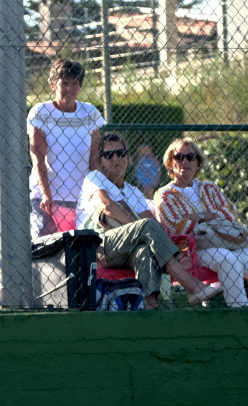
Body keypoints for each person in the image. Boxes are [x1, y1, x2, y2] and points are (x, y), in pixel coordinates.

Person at [77, 133, 220, 309]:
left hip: (127, 249)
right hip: (98, 246)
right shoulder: (95, 178)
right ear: (101, 160)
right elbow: (108, 206)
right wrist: (139, 227)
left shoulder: (133, 191)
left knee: (145, 251)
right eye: (109, 155)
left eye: (120, 153)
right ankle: (192, 286)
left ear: (128, 157)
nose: (116, 158)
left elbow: (152, 222)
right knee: (146, 227)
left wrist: (147, 233)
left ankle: (149, 305)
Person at [155, 138, 248, 308]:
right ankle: (240, 310)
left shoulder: (209, 187)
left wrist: (198, 217)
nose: (184, 161)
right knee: (226, 259)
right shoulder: (164, 194)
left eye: (190, 157)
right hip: (192, 250)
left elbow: (231, 214)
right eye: (179, 157)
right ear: (170, 162)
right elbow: (176, 225)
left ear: (198, 162)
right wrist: (213, 216)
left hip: (225, 242)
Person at [28, 59, 104, 239]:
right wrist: (47, 196)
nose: (70, 89)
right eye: (64, 83)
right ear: (53, 85)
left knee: (81, 255)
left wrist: (101, 194)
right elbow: (38, 159)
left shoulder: (90, 113)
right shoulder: (41, 112)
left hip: (83, 201)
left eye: (75, 83)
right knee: (44, 252)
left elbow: (95, 159)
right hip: (48, 201)